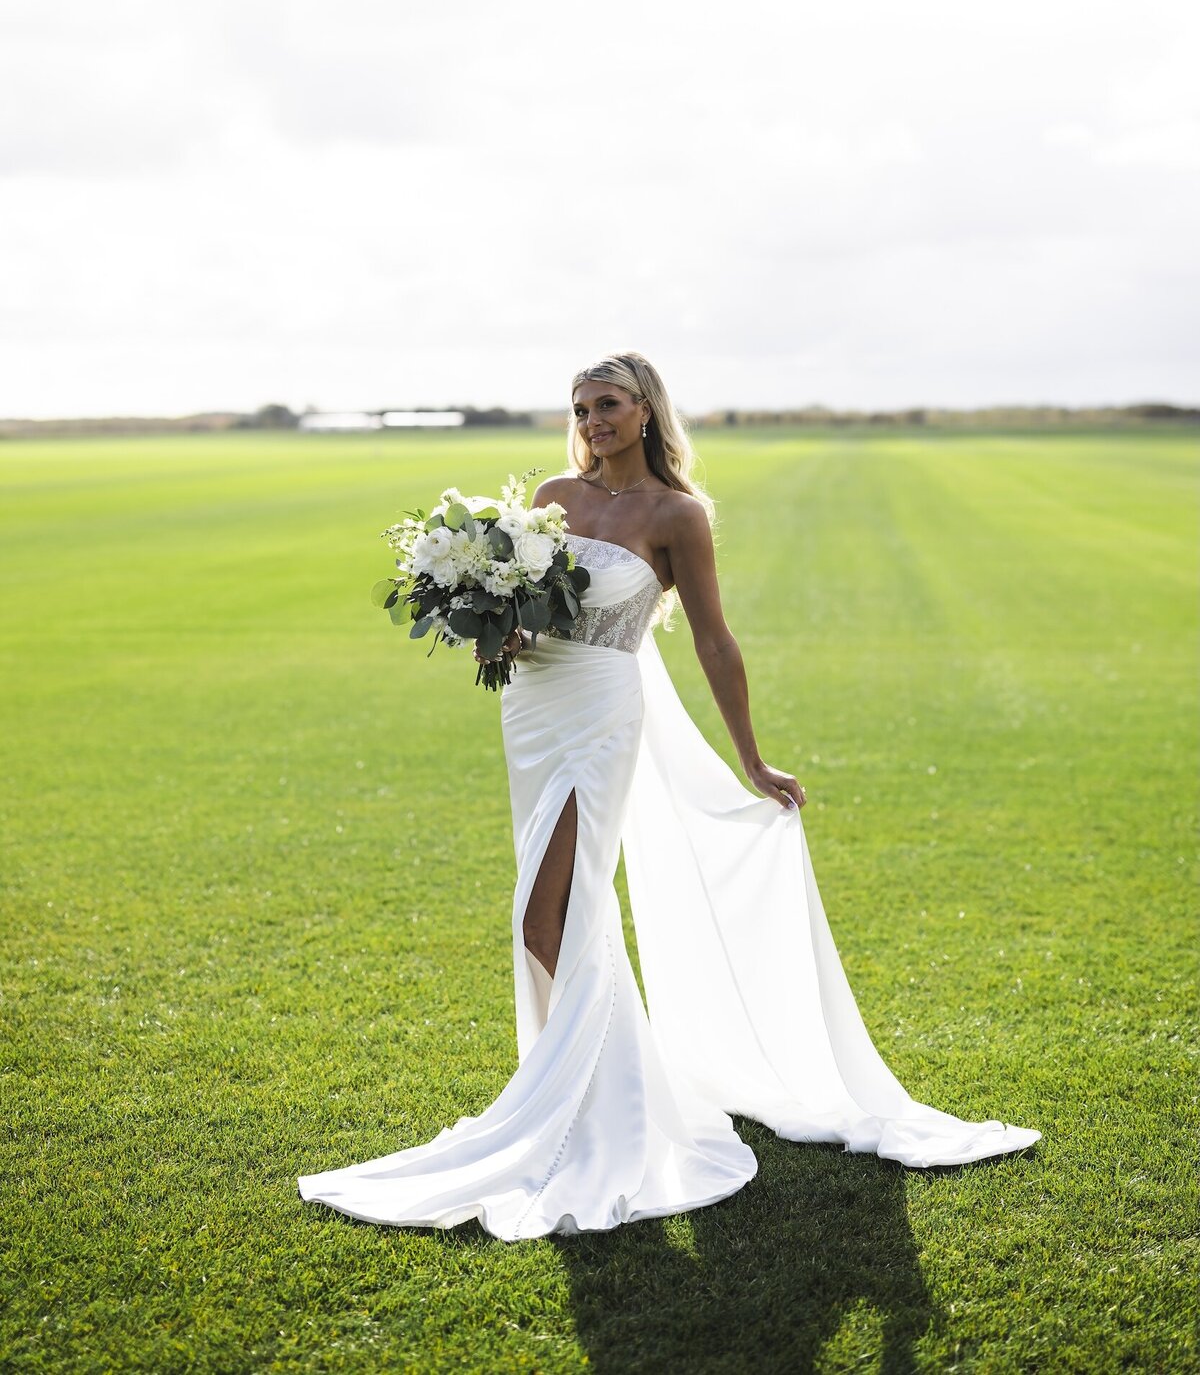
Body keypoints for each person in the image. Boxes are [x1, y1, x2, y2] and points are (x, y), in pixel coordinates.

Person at [298, 350, 1041, 1238]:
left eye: (607, 404)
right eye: (579, 408)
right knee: (554, 909)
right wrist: (495, 630)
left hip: (603, 711)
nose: (591, 422)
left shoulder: (678, 515)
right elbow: (536, 608)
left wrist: (753, 763)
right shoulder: (554, 498)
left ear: (645, 410)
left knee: (547, 914)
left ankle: (589, 1106)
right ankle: (581, 1095)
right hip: (533, 707)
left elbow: (715, 643)